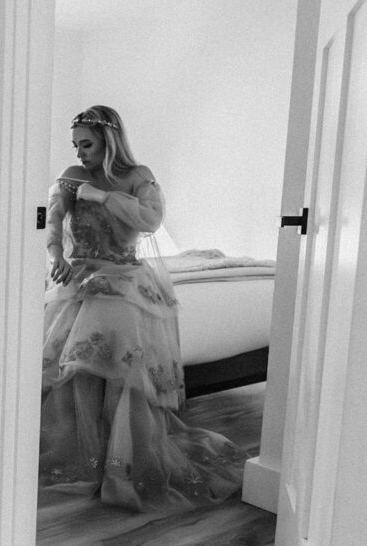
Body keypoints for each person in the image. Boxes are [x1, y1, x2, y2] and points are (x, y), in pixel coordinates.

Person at [40, 105, 245, 512]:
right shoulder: (70, 177)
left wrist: (101, 195)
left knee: (118, 358)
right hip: (79, 277)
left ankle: (120, 461)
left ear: (109, 142)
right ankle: (81, 456)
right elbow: (52, 222)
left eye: (88, 145)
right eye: (76, 145)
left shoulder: (139, 178)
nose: (80, 153)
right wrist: (55, 257)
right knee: (68, 363)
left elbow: (150, 220)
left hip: (125, 278)